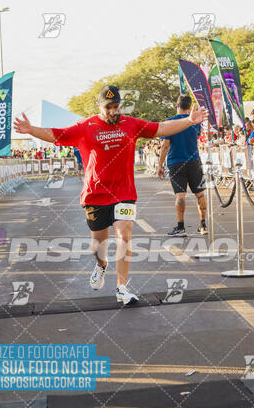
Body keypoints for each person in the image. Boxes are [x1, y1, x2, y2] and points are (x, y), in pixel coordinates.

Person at [14, 85, 208, 305]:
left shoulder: (131, 124)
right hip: (95, 195)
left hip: (123, 192)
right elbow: (56, 135)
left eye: (116, 107)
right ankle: (101, 265)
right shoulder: (85, 126)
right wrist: (31, 129)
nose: (114, 111)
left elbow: (162, 127)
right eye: (109, 108)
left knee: (124, 236)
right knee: (98, 245)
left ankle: (121, 288)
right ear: (100, 106)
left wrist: (189, 121)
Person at [156, 95, 208, 237]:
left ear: (177, 105)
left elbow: (165, 145)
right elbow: (195, 138)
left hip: (175, 161)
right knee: (200, 193)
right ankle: (203, 225)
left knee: (180, 195)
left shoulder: (169, 122)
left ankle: (181, 227)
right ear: (190, 106)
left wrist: (159, 165)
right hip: (194, 160)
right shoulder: (195, 121)